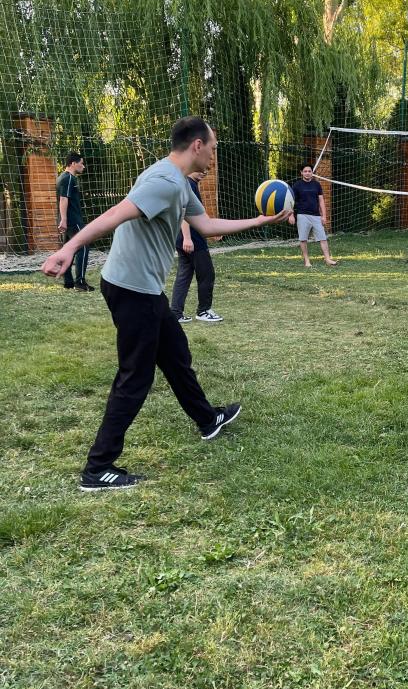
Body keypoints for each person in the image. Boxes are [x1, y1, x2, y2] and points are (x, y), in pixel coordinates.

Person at [41, 116, 290, 492]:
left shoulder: (177, 181)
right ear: (196, 145)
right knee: (135, 376)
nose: (213, 154)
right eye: (213, 147)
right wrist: (70, 247)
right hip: (131, 289)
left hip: (142, 289)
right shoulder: (164, 182)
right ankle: (98, 468)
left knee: (175, 353)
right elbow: (114, 215)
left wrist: (260, 220)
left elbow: (205, 226)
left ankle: (208, 420)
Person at [170, 169, 222, 323]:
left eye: (206, 169)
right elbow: (184, 213)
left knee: (183, 277)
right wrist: (187, 238)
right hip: (191, 240)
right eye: (200, 169)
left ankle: (175, 313)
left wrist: (213, 230)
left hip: (183, 239)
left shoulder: (190, 184)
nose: (204, 172)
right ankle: (204, 311)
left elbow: (199, 216)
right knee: (207, 274)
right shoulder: (189, 185)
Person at [56, 152, 93, 291]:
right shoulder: (68, 179)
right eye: (81, 163)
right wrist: (64, 219)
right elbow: (63, 199)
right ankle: (80, 283)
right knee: (83, 246)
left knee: (68, 250)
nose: (83, 166)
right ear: (73, 163)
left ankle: (68, 282)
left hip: (68, 219)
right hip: (72, 220)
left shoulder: (62, 177)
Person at [288, 163, 337, 268]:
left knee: (323, 238)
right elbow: (291, 201)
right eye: (305, 171)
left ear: (312, 173)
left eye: (309, 171)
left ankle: (328, 259)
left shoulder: (317, 185)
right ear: (301, 173)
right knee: (303, 239)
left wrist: (324, 216)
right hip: (302, 215)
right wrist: (291, 215)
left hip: (316, 216)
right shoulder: (297, 185)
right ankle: (307, 261)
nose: (307, 173)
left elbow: (321, 201)